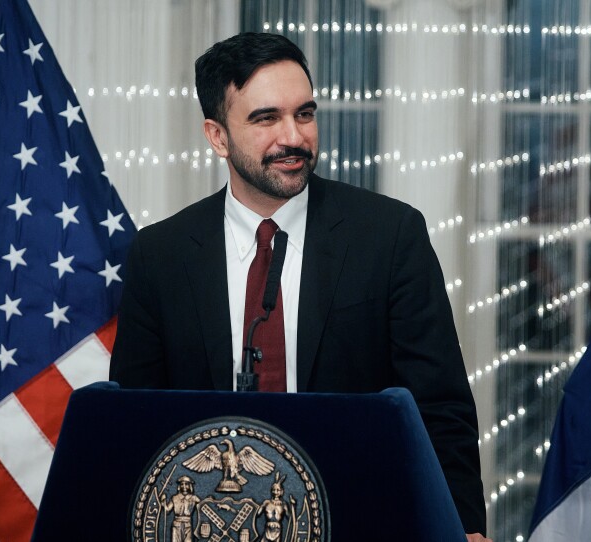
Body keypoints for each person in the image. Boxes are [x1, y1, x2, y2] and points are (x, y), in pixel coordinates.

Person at [110, 32, 489, 540]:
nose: (294, 136)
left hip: (362, 521)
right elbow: (134, 421)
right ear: (217, 136)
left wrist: (463, 528)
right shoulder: (160, 254)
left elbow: (440, 409)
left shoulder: (389, 235)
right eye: (267, 119)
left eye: (304, 114)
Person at [160, 476, 200, 542]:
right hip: (176, 525)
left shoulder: (194, 498)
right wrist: (163, 502)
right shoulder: (174, 498)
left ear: (190, 486)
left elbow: (202, 507)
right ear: (179, 486)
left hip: (188, 525)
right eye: (182, 484)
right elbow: (167, 510)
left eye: (186, 484)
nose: (184, 486)